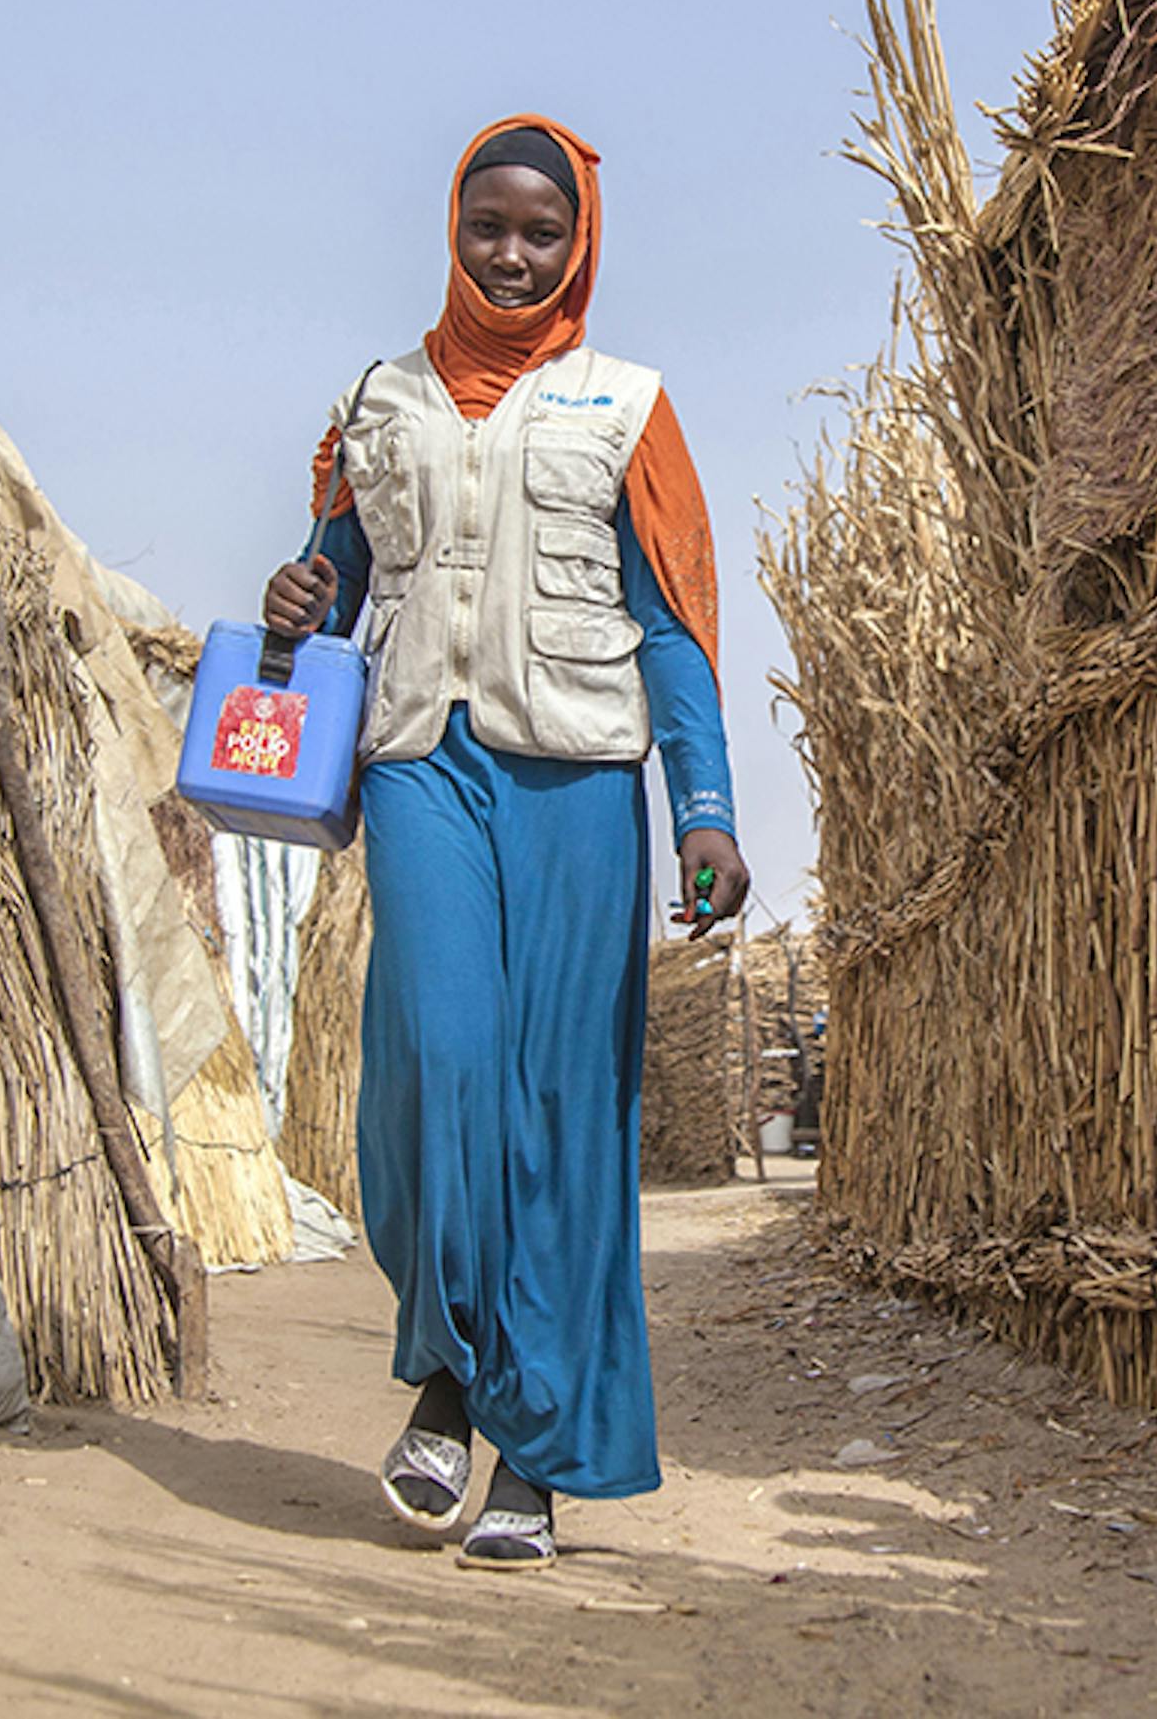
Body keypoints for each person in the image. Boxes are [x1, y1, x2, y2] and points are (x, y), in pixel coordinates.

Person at [258, 115, 749, 1566]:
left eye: (544, 232)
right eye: (491, 228)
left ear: (579, 239)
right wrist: (295, 600)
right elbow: (332, 580)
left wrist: (705, 810)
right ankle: (450, 1364)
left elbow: (672, 626)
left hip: (580, 780)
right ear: (454, 229)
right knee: (439, 1065)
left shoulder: (627, 404)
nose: (515, 254)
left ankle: (524, 1455)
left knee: (556, 1110)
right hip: (421, 760)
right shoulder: (380, 399)